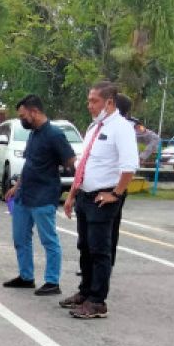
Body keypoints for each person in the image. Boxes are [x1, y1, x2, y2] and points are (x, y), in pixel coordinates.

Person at [61, 81, 138, 320]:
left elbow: (129, 166)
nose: (89, 105)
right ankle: (85, 292)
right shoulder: (94, 129)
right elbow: (84, 164)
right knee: (84, 247)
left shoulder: (121, 128)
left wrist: (115, 193)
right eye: (89, 100)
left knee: (99, 250)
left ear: (109, 102)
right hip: (85, 194)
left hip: (103, 197)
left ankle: (97, 300)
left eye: (94, 101)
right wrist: (72, 194)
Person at [2, 94, 75, 296]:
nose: (21, 120)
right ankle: (26, 277)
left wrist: (74, 191)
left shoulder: (55, 134)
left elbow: (71, 162)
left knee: (48, 240)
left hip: (44, 196)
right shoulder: (33, 134)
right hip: (25, 196)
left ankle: (52, 281)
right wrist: (17, 186)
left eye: (23, 116)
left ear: (34, 112)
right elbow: (30, 163)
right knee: (20, 238)